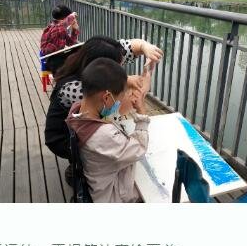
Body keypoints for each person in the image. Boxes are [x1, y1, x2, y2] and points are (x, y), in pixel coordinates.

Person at [44, 35, 163, 163]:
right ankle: (81, 166)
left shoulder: (96, 55)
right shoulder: (75, 88)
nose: (119, 69)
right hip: (63, 138)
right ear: (100, 67)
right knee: (96, 151)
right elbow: (115, 110)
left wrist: (146, 47)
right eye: (117, 66)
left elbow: (131, 46)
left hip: (79, 126)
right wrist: (142, 88)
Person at [66, 58, 151, 204]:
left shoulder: (77, 111)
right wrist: (142, 114)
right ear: (106, 97)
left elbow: (107, 119)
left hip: (96, 180)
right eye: (119, 99)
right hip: (111, 195)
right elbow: (139, 148)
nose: (119, 103)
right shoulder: (103, 135)